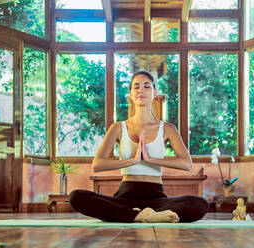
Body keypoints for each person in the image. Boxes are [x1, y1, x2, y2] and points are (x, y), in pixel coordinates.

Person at [69, 70, 208, 223]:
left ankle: (131, 216)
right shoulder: (118, 127)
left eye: (146, 86)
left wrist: (150, 159)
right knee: (76, 197)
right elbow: (97, 165)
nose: (141, 90)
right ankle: (141, 216)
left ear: (154, 93)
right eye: (136, 86)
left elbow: (187, 164)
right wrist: (132, 161)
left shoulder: (167, 128)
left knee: (199, 204)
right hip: (125, 197)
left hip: (156, 198)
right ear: (130, 94)